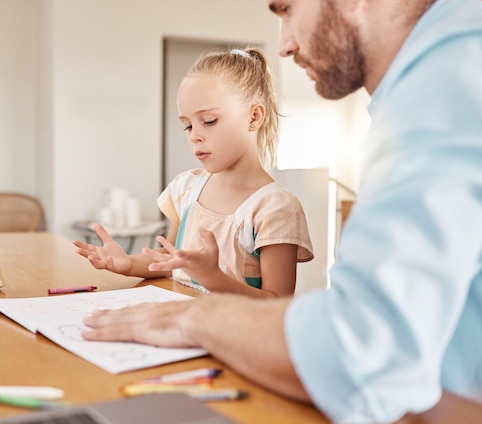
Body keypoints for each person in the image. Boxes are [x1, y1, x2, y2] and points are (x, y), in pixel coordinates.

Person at [80, 0, 482, 422]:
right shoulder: (428, 85)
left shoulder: (447, 85)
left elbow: (356, 355)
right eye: (187, 125)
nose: (284, 45)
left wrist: (196, 316)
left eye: (286, 9)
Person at [74, 47, 313, 298]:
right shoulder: (187, 188)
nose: (195, 136)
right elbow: (172, 261)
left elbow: (279, 304)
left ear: (254, 117)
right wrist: (128, 264)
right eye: (187, 126)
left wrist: (214, 279)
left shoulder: (275, 208)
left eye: (209, 121)